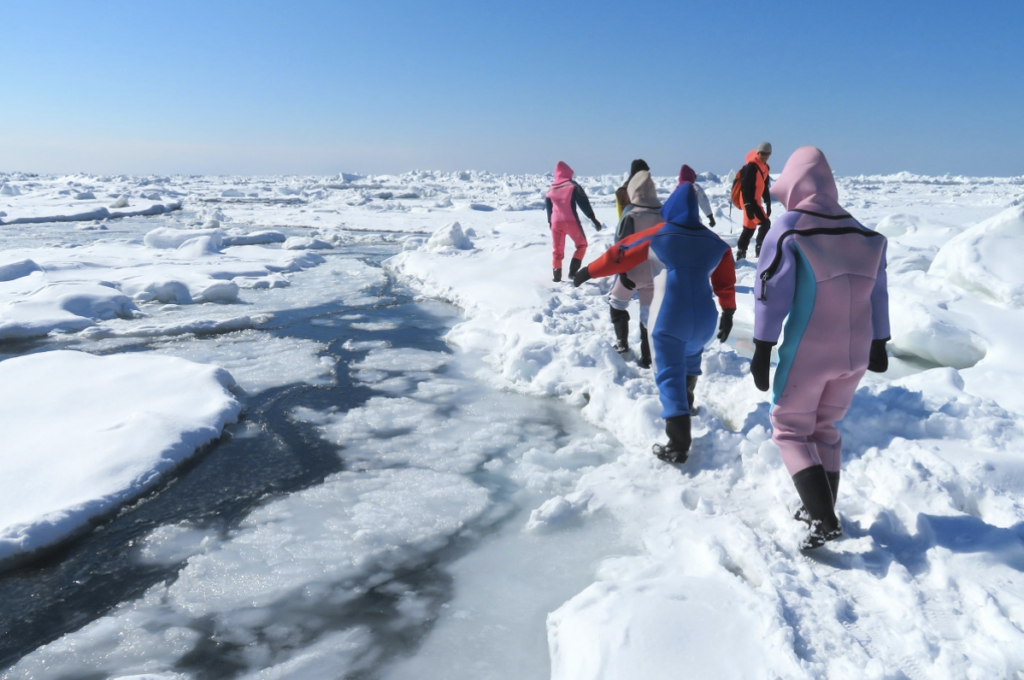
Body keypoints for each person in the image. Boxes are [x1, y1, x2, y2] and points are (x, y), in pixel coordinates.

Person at [751, 146, 890, 549]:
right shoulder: (866, 234)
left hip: (811, 348)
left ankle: (824, 519)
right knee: (825, 429)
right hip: (857, 350)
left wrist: (762, 347)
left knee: (790, 429)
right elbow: (879, 295)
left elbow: (769, 291)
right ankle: (821, 507)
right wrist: (880, 340)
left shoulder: (791, 229)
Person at [574, 182, 736, 463]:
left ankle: (678, 443)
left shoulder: (661, 234)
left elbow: (620, 255)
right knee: (690, 358)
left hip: (671, 315)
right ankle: (689, 404)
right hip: (706, 319)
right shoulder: (716, 242)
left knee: (668, 372)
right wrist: (729, 312)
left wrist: (587, 271)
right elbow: (725, 282)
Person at [607, 169, 662, 367]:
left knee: (616, 302)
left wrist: (621, 272)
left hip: (632, 272)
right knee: (647, 316)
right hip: (655, 273)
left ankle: (622, 343)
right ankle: (648, 357)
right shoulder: (663, 213)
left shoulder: (631, 213)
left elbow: (621, 246)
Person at [545, 161, 602, 283]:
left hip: (555, 224)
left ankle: (556, 276)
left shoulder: (551, 189)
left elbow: (549, 209)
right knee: (582, 245)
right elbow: (583, 203)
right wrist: (592, 217)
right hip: (571, 221)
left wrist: (550, 223)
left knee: (557, 250)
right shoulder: (572, 185)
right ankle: (572, 272)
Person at [736, 142, 773, 260]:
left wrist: (767, 201)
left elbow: (764, 186)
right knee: (765, 223)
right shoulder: (751, 167)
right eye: (762, 153)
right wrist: (747, 205)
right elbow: (745, 187)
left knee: (749, 227)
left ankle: (741, 252)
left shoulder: (766, 167)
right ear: (758, 153)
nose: (765, 156)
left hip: (756, 201)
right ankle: (761, 249)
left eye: (767, 154)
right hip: (750, 201)